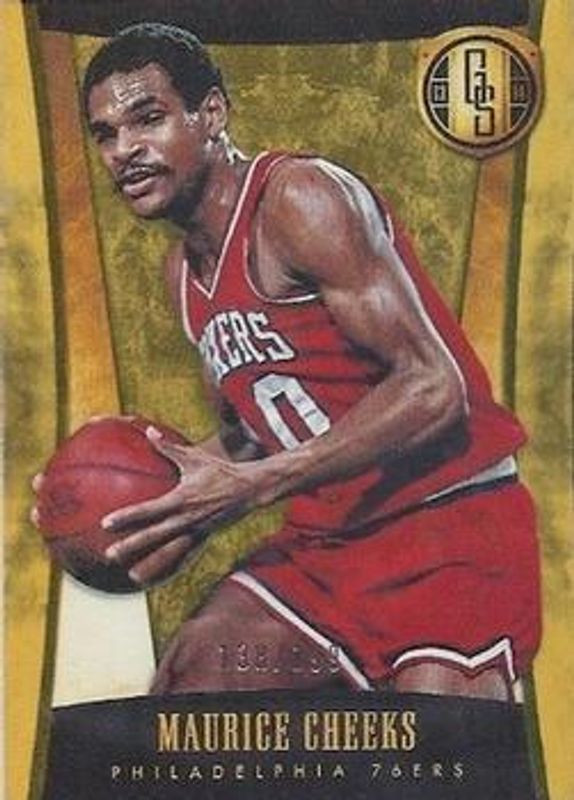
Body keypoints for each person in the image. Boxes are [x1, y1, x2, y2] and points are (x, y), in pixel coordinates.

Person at [41, 22, 541, 698]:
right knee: (191, 683)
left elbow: (432, 385)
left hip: (449, 525)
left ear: (211, 114)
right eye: (105, 134)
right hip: (331, 547)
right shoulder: (182, 273)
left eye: (147, 118)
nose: (124, 149)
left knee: (438, 741)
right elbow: (253, 434)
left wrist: (257, 485)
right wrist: (150, 506)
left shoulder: (297, 199)